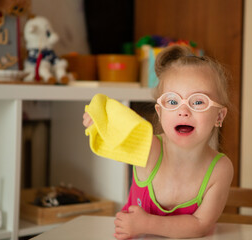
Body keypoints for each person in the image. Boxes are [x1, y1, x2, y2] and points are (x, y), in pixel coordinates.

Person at [82, 45, 233, 239]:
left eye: (198, 101)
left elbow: (201, 225)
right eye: (172, 101)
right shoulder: (150, 149)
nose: (183, 111)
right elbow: (115, 128)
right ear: (160, 113)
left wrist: (147, 223)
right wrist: (98, 119)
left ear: (219, 116)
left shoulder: (220, 169)